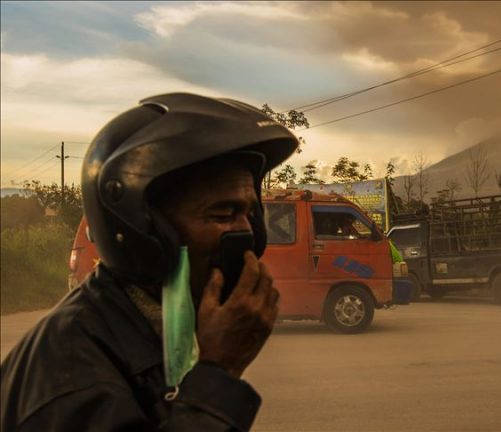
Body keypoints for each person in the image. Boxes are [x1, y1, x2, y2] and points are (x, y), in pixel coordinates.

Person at [1, 93, 299, 431]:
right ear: (144, 231)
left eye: (250, 215)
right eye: (222, 214)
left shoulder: (148, 326)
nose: (247, 236)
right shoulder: (74, 373)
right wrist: (218, 373)